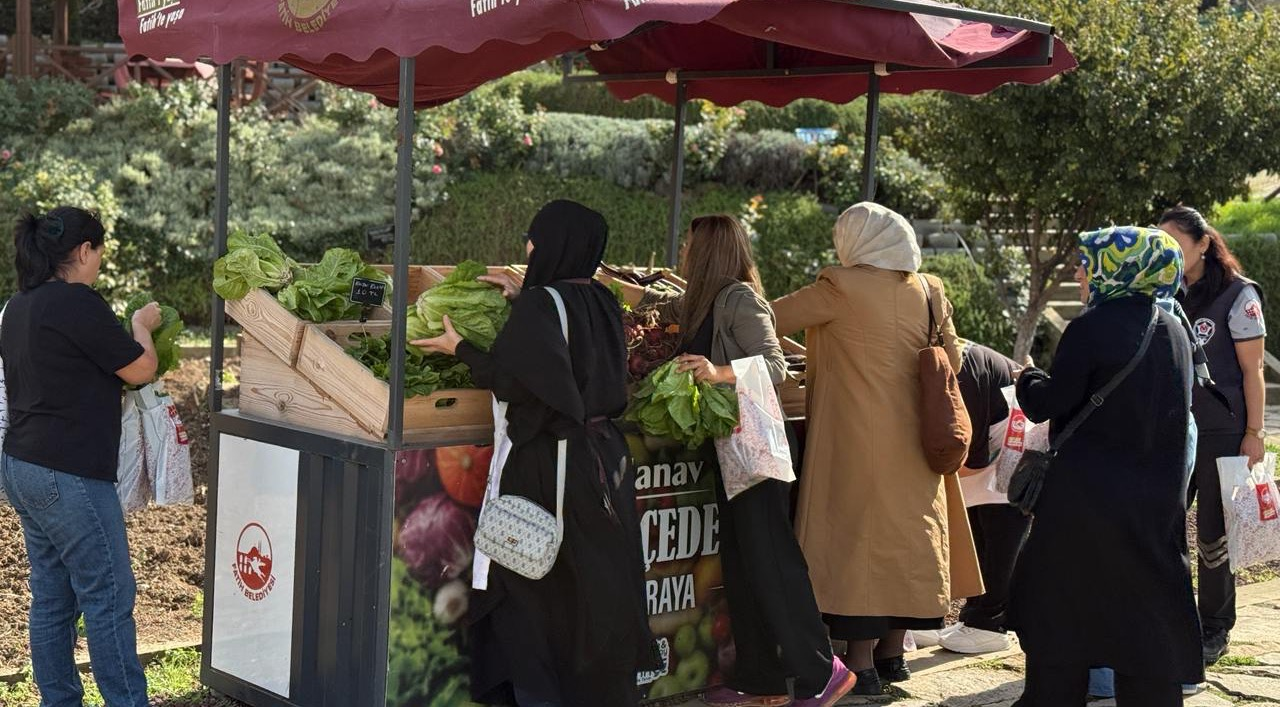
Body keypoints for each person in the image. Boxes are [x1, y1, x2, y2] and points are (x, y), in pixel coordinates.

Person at [414, 200, 655, 707]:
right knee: (591, 585)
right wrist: (527, 297)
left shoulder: (540, 307)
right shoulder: (606, 303)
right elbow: (570, 354)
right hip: (605, 462)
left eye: (533, 239)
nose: (526, 247)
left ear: (554, 245)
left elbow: (516, 381)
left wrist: (459, 346)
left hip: (552, 466)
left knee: (530, 582)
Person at [631, 215, 855, 707]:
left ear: (709, 249)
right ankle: (762, 677)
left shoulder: (739, 299)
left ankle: (823, 673)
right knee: (743, 563)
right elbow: (651, 304)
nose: (684, 252)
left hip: (754, 450)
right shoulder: (698, 300)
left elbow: (774, 365)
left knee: (772, 561)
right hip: (727, 451)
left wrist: (718, 371)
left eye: (690, 244)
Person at [770, 202, 983, 696]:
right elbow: (952, 357)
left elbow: (768, 318)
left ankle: (858, 663)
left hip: (854, 441)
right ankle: (893, 657)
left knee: (857, 546)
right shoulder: (929, 289)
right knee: (908, 546)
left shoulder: (839, 287)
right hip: (918, 443)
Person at [1010, 226, 1202, 706]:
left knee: (1064, 621)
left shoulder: (1092, 327)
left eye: (1086, 261)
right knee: (1144, 627)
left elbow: (1048, 403)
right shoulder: (1174, 329)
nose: (1079, 271)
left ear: (1115, 268)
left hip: (1084, 506)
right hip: (1154, 505)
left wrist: (1028, 378)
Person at [1, 207, 162, 707]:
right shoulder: (78, 304)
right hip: (67, 473)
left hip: (22, 466)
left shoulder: (18, 305)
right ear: (83, 251)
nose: (98, 265)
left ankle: (59, 701)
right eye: (98, 254)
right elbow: (140, 370)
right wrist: (142, 324)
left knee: (53, 596)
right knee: (109, 596)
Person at [1160, 205, 1267, 667]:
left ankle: (1214, 627)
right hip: (1170, 430)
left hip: (1224, 431)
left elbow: (1253, 369)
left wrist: (1255, 432)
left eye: (1176, 244)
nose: (1169, 254)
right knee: (1162, 526)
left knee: (1213, 535)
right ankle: (1169, 619)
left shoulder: (1238, 295)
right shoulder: (1164, 293)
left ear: (1203, 243)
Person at [933, 340, 1030, 656]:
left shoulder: (959, 371)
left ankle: (992, 623)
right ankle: (975, 614)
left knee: (1001, 528)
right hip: (988, 441)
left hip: (1011, 439)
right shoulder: (942, 361)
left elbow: (966, 454)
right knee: (977, 530)